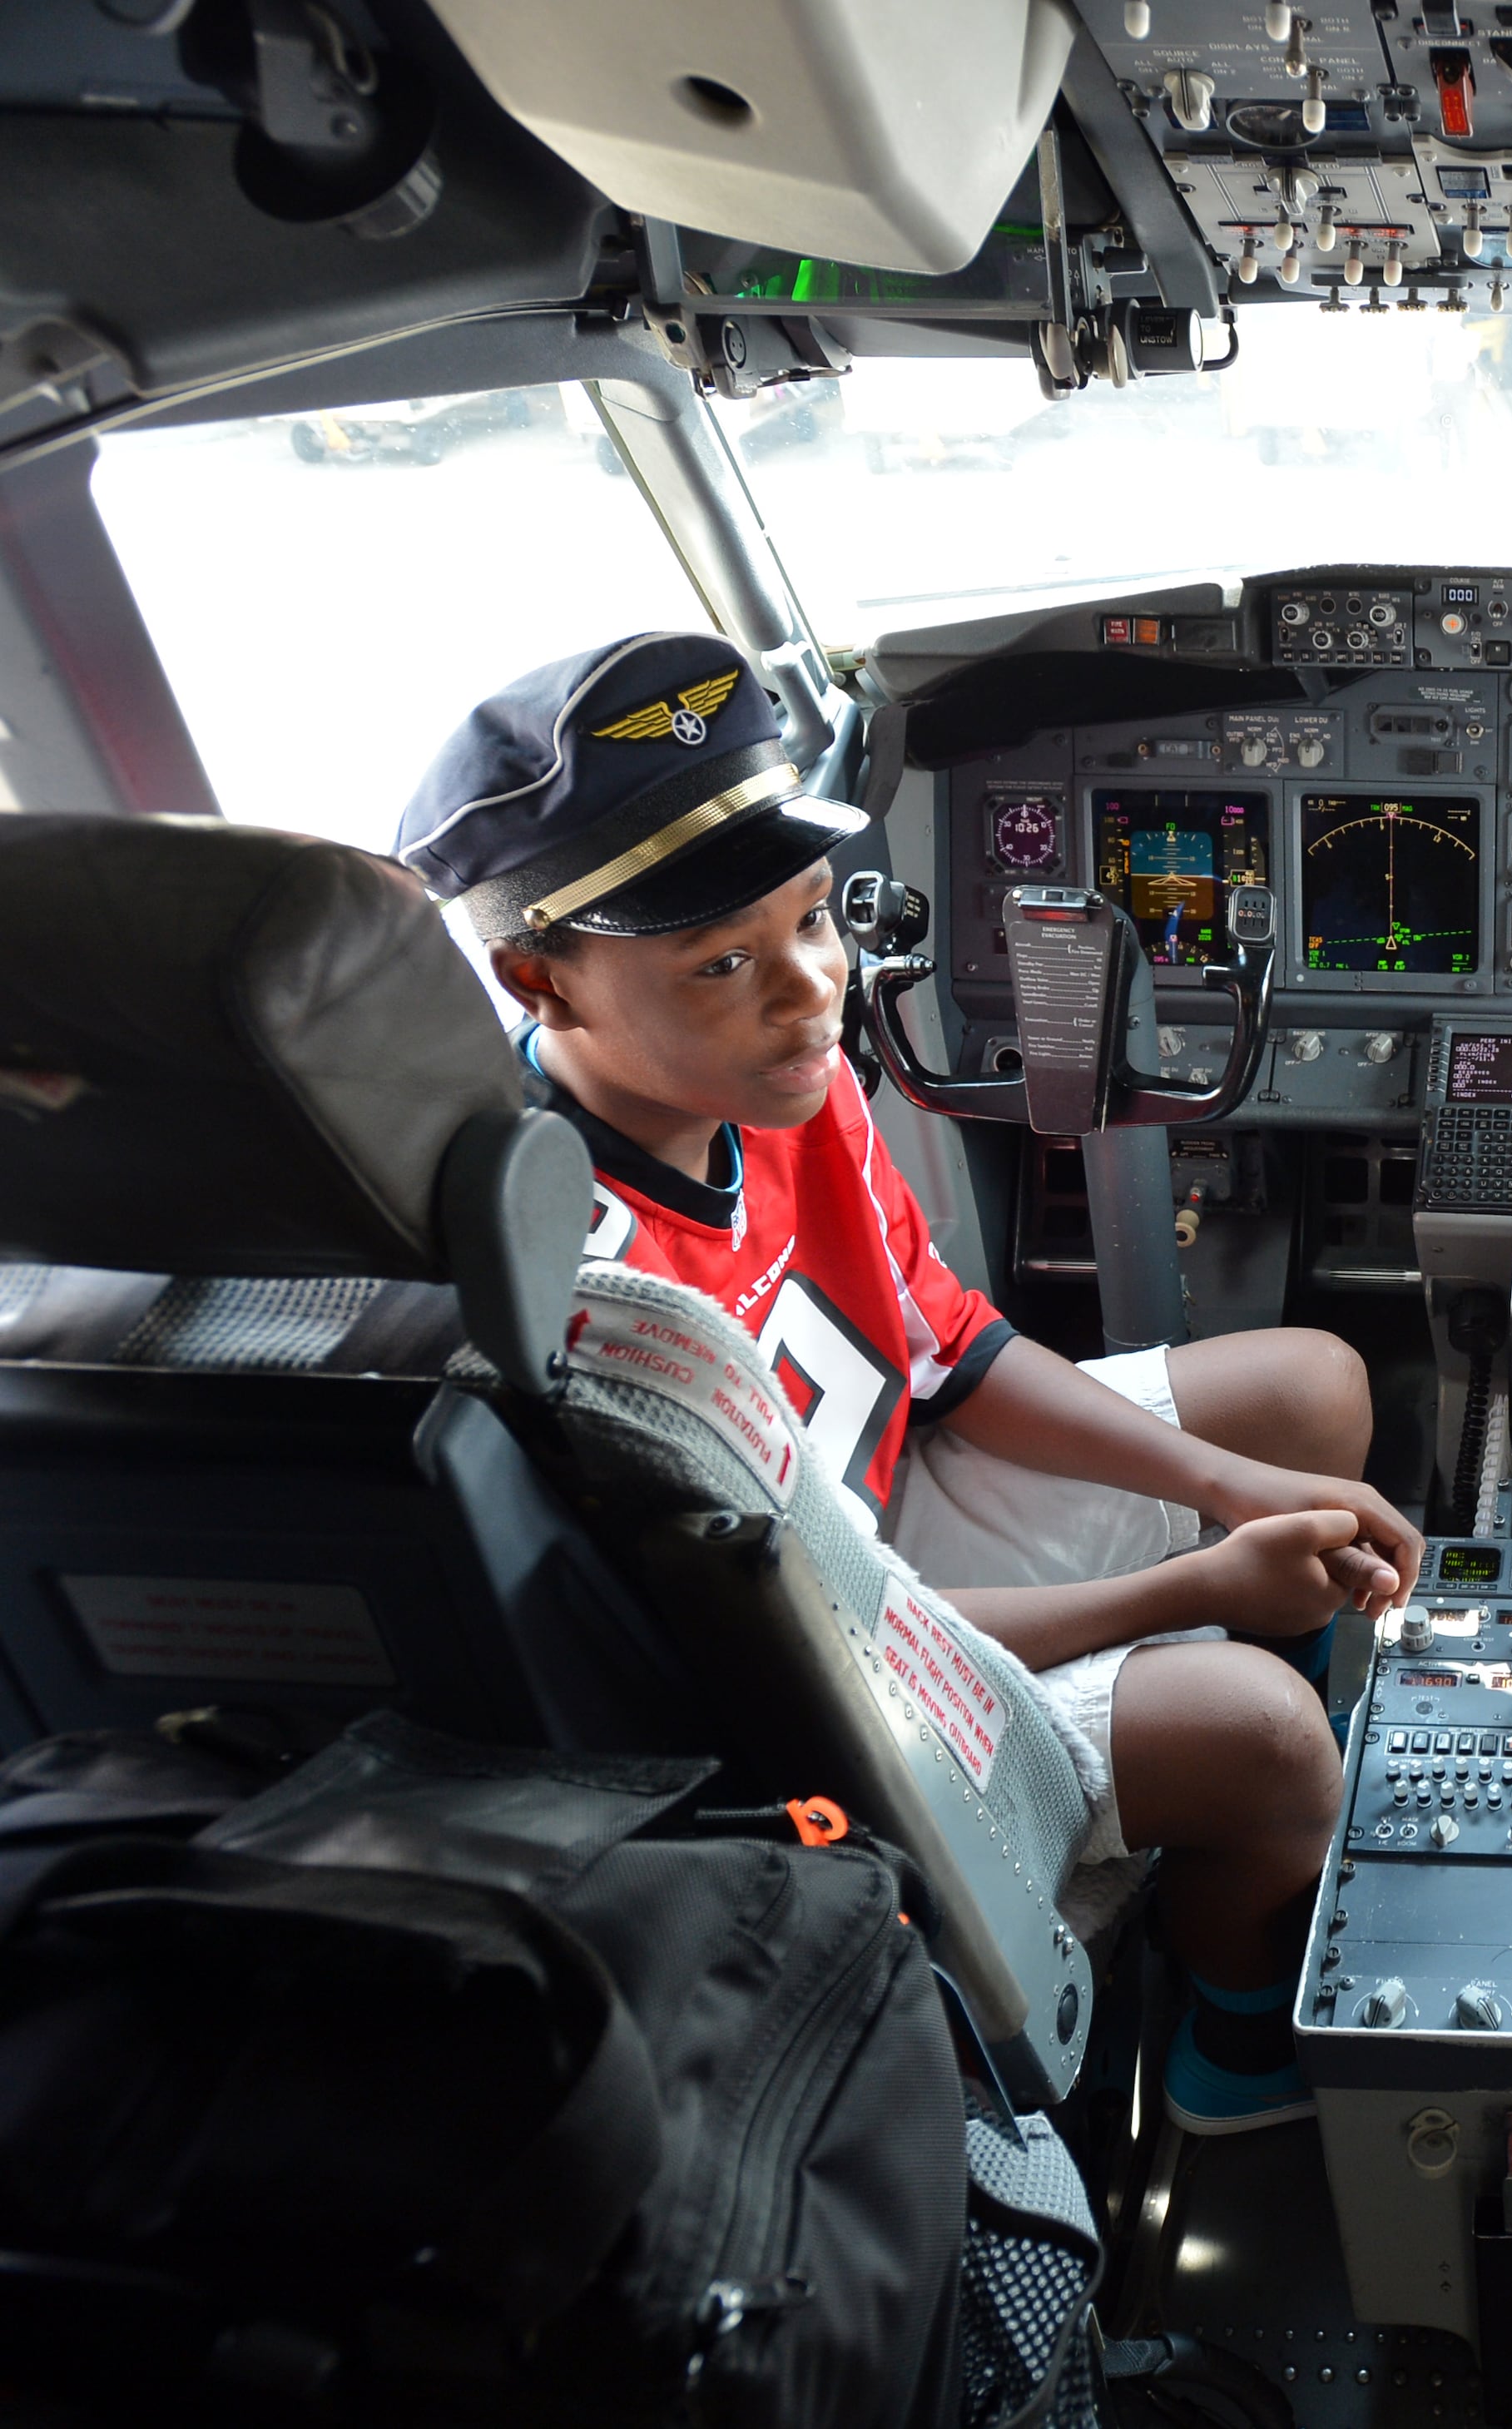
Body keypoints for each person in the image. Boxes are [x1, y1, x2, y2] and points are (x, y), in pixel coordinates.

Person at [395, 631, 1422, 2137]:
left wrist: (1236, 1497)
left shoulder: (780, 1092)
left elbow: (951, 1352)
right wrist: (1177, 1592)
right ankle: (1232, 2051)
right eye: (724, 963)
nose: (811, 992)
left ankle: (1290, 1815)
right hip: (822, 1680)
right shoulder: (587, 1294)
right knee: (1255, 1730)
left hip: (883, 1517)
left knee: (1311, 1396)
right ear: (537, 977)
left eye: (813, 920)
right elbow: (826, 1639)